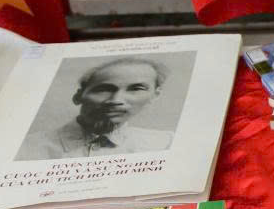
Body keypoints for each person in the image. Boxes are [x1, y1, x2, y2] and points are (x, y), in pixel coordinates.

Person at [18, 57, 173, 160]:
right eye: (104, 89)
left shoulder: (165, 144)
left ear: (155, 95)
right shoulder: (26, 148)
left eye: (136, 89)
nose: (116, 100)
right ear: (79, 95)